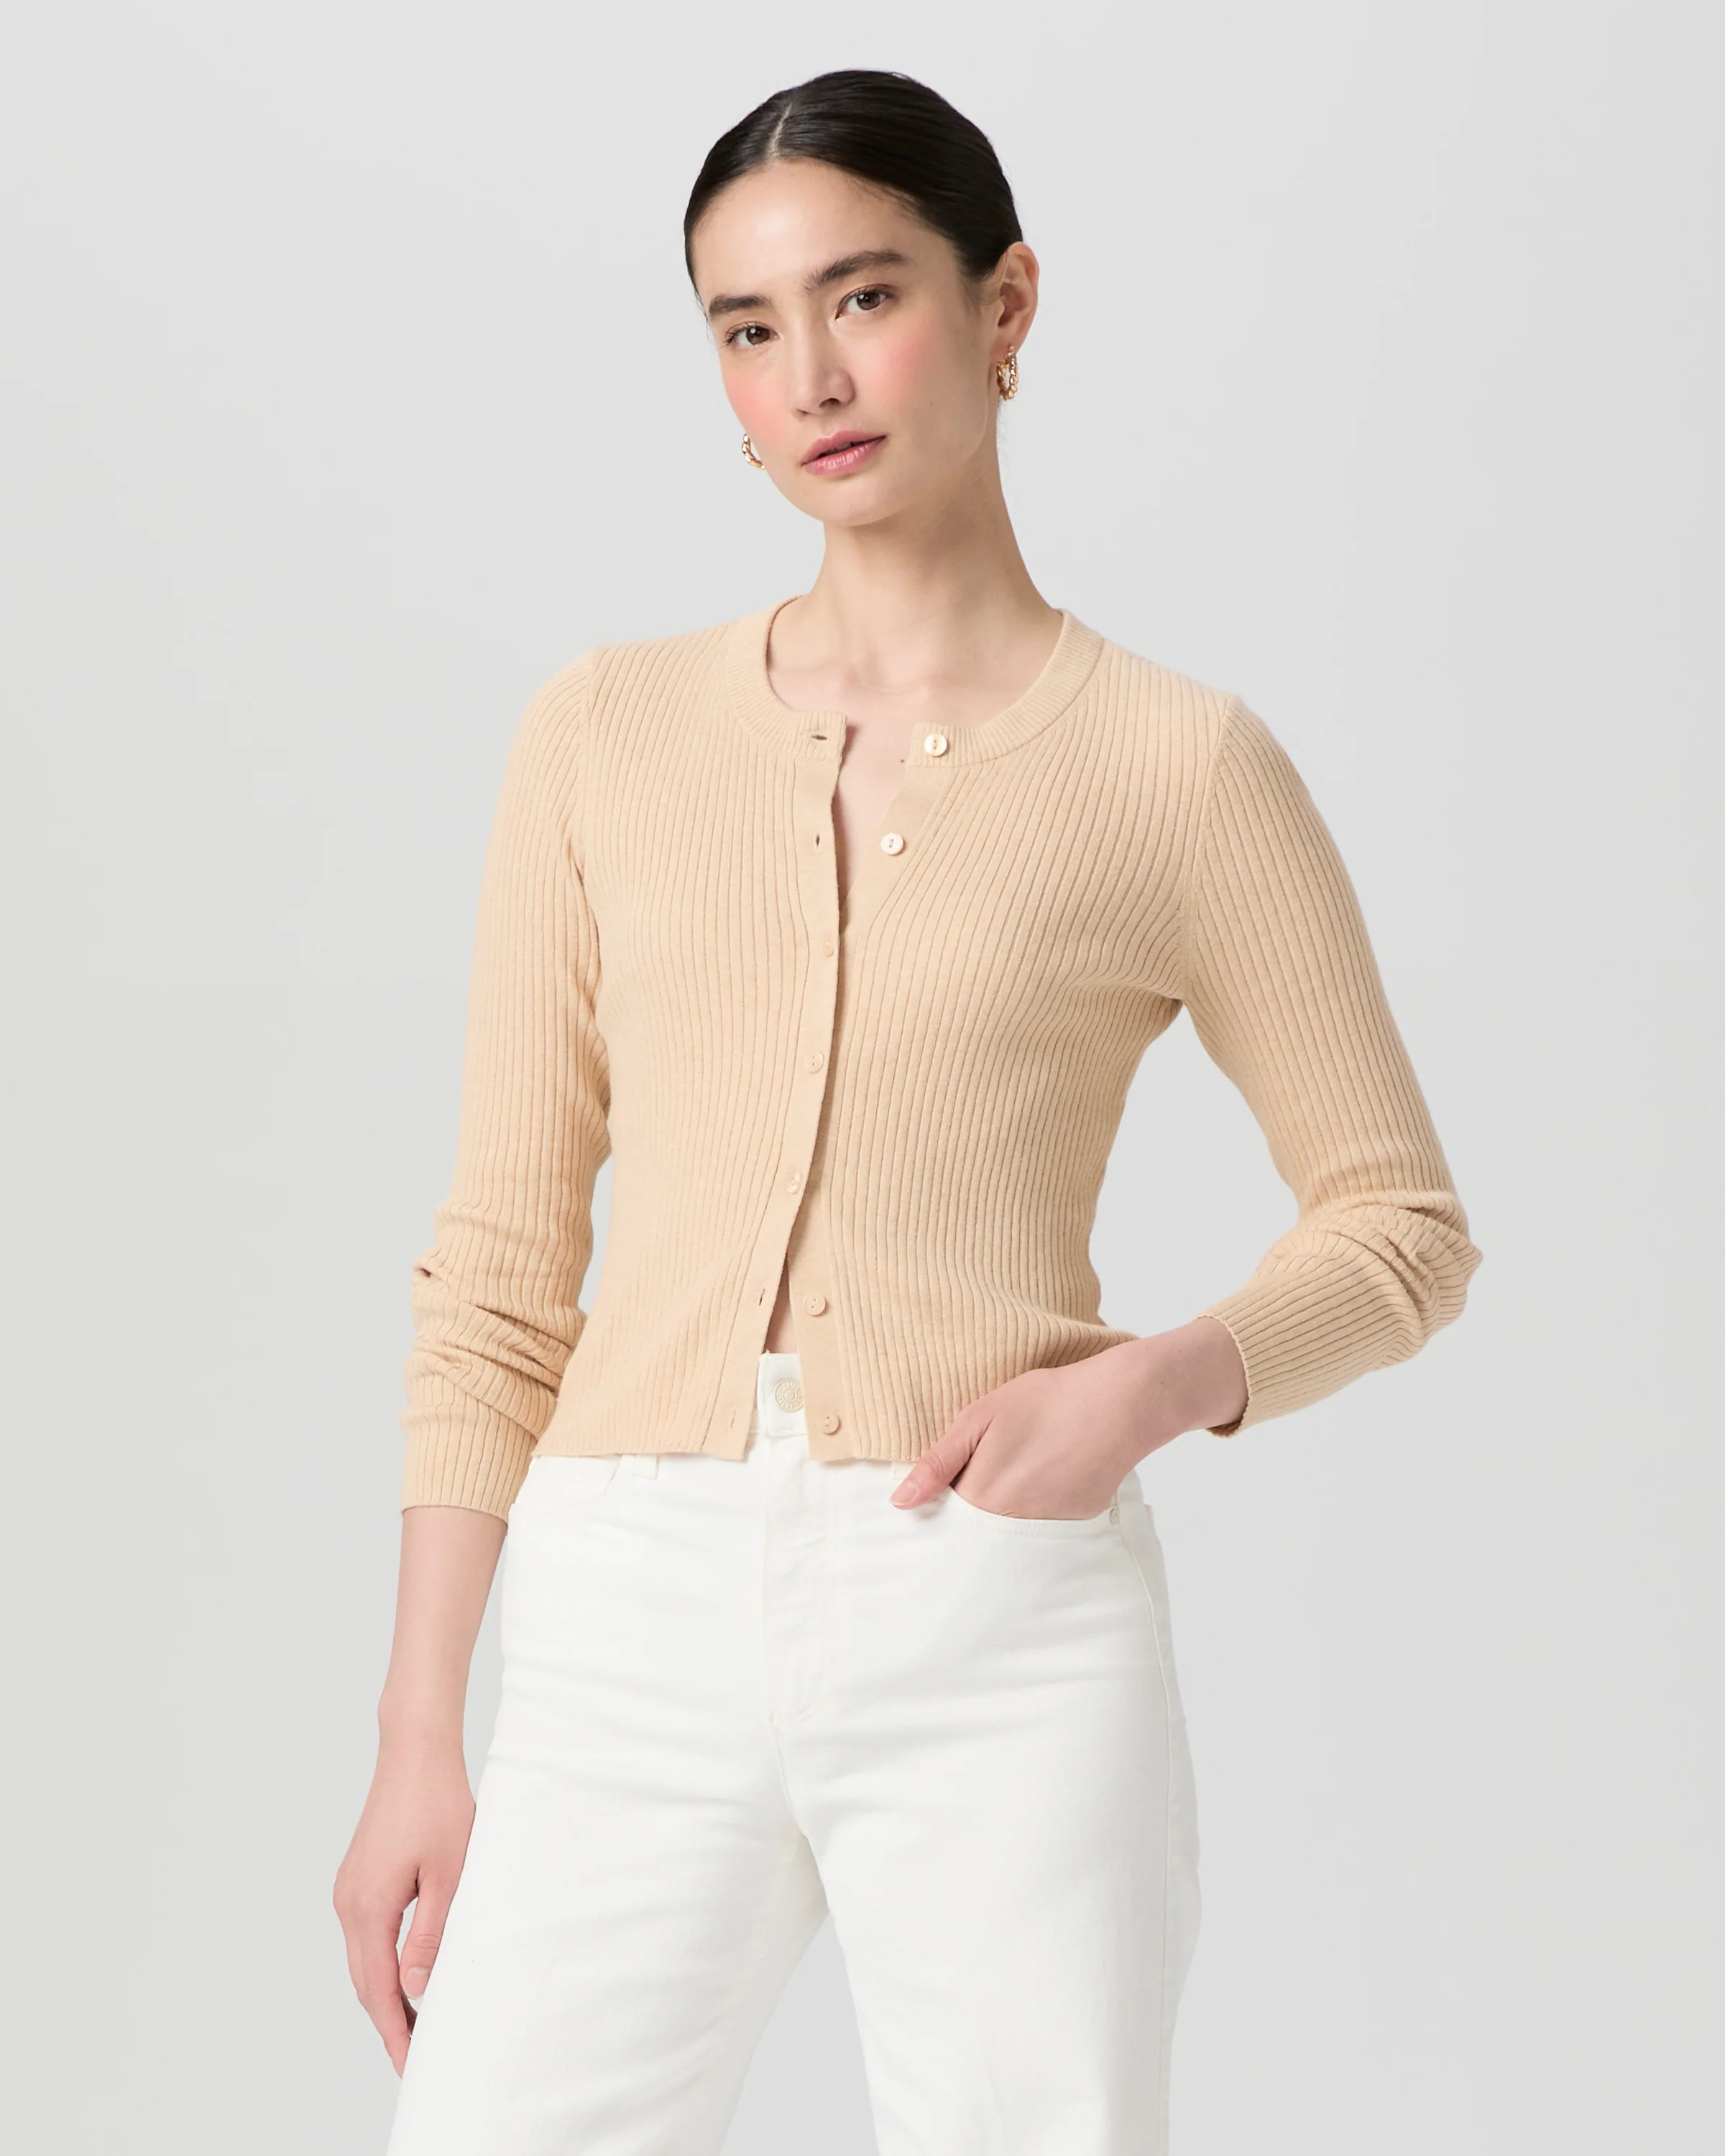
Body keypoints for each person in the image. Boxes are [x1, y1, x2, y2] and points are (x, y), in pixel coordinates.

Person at [334, 66, 1483, 2156]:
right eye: (748, 328)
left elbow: (1401, 1226)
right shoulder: (603, 736)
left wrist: (1150, 1389)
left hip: (991, 1601)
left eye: (864, 297)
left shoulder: (1179, 768)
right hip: (623, 1604)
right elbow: (501, 1262)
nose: (811, 378)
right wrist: (423, 1730)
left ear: (1005, 303)